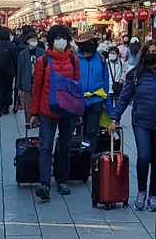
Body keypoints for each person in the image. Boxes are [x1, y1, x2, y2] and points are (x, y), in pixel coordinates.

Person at [109, 40, 156, 211]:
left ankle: (154, 194)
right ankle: (141, 191)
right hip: (141, 122)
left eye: (155, 51)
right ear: (143, 53)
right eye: (148, 51)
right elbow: (124, 97)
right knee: (144, 156)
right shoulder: (135, 74)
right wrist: (115, 118)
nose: (151, 54)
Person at [29, 24, 81, 201]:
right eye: (57, 38)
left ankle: (62, 180)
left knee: (65, 148)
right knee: (45, 147)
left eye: (64, 38)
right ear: (51, 41)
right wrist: (34, 113)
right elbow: (37, 89)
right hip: (47, 112)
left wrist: (78, 112)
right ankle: (44, 183)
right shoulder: (42, 62)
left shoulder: (74, 61)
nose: (61, 41)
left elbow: (77, 89)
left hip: (67, 112)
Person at [75, 32, 115, 155]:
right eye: (86, 43)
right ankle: (79, 159)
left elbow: (106, 84)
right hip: (78, 100)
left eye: (92, 43)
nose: (89, 45)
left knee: (93, 131)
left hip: (97, 99)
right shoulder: (74, 60)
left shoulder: (102, 60)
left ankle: (91, 159)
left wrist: (109, 108)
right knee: (79, 130)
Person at [0, 27, 19, 117]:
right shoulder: (12, 45)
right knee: (8, 88)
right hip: (9, 71)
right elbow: (16, 59)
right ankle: (6, 107)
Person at [16, 31, 44, 120]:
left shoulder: (42, 52)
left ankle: (38, 118)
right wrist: (19, 85)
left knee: (39, 101)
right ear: (27, 41)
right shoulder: (23, 54)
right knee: (27, 103)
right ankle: (28, 119)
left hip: (39, 81)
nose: (33, 41)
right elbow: (20, 69)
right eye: (31, 39)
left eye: (35, 39)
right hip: (27, 81)